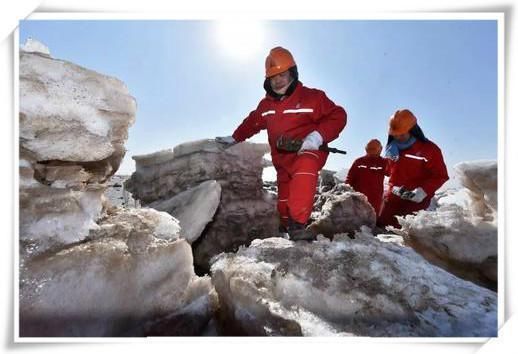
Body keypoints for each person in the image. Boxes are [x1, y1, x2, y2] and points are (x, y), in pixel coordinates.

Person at [216, 46, 347, 241]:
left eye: (282, 75)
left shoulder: (312, 97)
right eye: (273, 77)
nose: (277, 80)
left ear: (292, 73)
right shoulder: (266, 105)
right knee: (284, 200)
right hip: (282, 160)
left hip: (308, 152)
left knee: (305, 169)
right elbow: (252, 123)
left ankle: (298, 225)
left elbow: (338, 115)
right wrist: (235, 137)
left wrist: (316, 137)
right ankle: (286, 227)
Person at [377, 109, 449, 228]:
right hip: (392, 198)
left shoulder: (430, 150)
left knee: (406, 234)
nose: (398, 137)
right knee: (381, 229)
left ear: (413, 130)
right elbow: (389, 171)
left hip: (415, 200)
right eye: (395, 135)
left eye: (402, 134)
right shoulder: (391, 149)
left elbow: (440, 175)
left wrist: (423, 191)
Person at [345, 139, 388, 216]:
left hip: (375, 201)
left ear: (380, 149)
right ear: (366, 149)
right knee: (356, 220)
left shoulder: (384, 162)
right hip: (358, 198)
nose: (371, 151)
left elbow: (393, 173)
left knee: (371, 222)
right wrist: (345, 189)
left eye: (374, 149)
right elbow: (349, 178)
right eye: (369, 149)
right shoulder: (359, 161)